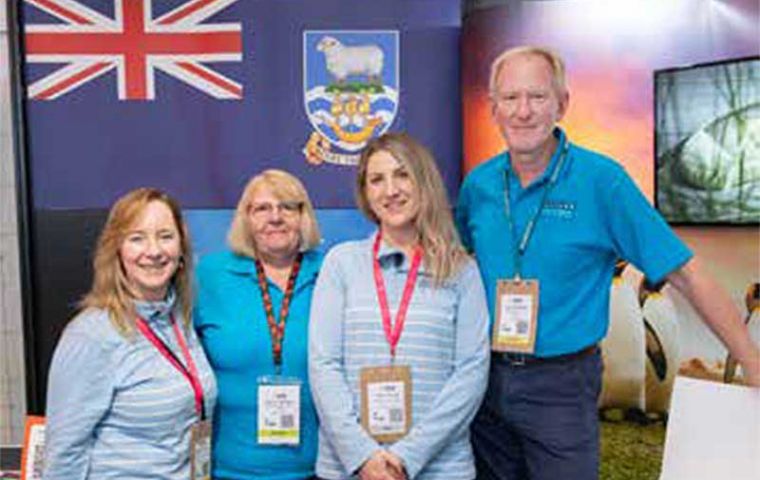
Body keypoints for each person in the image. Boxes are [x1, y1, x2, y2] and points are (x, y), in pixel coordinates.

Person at [455, 45, 760, 480]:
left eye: (538, 97)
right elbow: (454, 265)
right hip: (482, 379)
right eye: (510, 98)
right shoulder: (479, 186)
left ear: (562, 104)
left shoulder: (602, 181)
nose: (523, 111)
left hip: (561, 385)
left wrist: (749, 357)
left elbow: (686, 274)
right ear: (493, 109)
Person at [309, 133, 490, 480]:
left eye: (402, 174)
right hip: (350, 468)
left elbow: (471, 371)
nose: (390, 190)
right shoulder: (341, 263)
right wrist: (363, 457)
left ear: (424, 181)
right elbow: (324, 364)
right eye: (377, 179)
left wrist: (406, 457)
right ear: (365, 193)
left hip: (441, 468)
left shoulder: (461, 270)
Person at [44, 188, 217, 479]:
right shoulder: (90, 336)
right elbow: (64, 454)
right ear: (117, 251)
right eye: (137, 238)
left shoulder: (179, 320)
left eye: (165, 236)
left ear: (181, 250)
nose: (154, 251)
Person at [194, 169, 323, 479]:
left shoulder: (332, 273)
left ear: (303, 216)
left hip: (319, 466)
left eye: (287, 207)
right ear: (246, 218)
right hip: (229, 466)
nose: (275, 217)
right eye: (262, 208)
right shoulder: (209, 276)